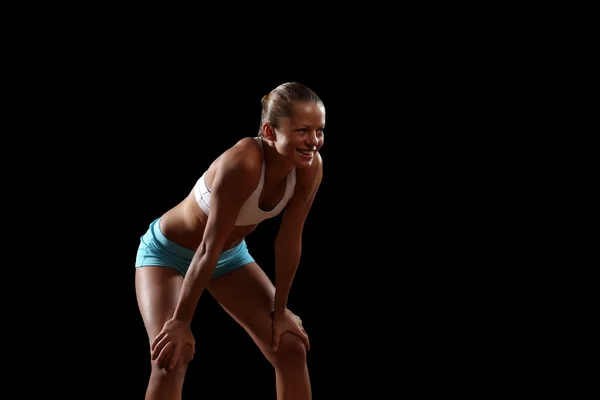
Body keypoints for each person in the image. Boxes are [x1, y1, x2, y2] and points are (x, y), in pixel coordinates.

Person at [134, 81, 325, 400]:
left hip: (228, 257)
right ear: (269, 131)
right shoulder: (243, 164)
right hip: (166, 255)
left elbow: (289, 241)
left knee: (290, 347)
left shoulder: (308, 168)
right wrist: (181, 321)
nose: (314, 141)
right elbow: (207, 247)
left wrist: (280, 313)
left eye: (320, 130)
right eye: (303, 130)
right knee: (172, 358)